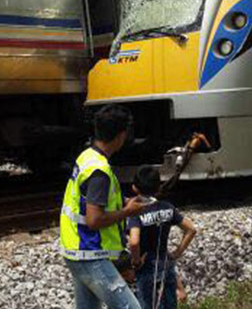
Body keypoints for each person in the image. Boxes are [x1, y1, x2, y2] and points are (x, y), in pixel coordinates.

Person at [60, 105, 146, 309]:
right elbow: (94, 220)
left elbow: (90, 199)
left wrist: (123, 202)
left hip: (75, 251)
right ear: (121, 135)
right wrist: (128, 211)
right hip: (90, 254)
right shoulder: (99, 170)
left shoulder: (87, 156)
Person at [128, 166, 197, 309]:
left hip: (146, 267)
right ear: (158, 187)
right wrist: (177, 252)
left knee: (147, 304)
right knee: (170, 304)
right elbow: (191, 229)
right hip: (166, 264)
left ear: (134, 188)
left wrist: (136, 262)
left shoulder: (136, 212)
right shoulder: (167, 207)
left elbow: (134, 242)